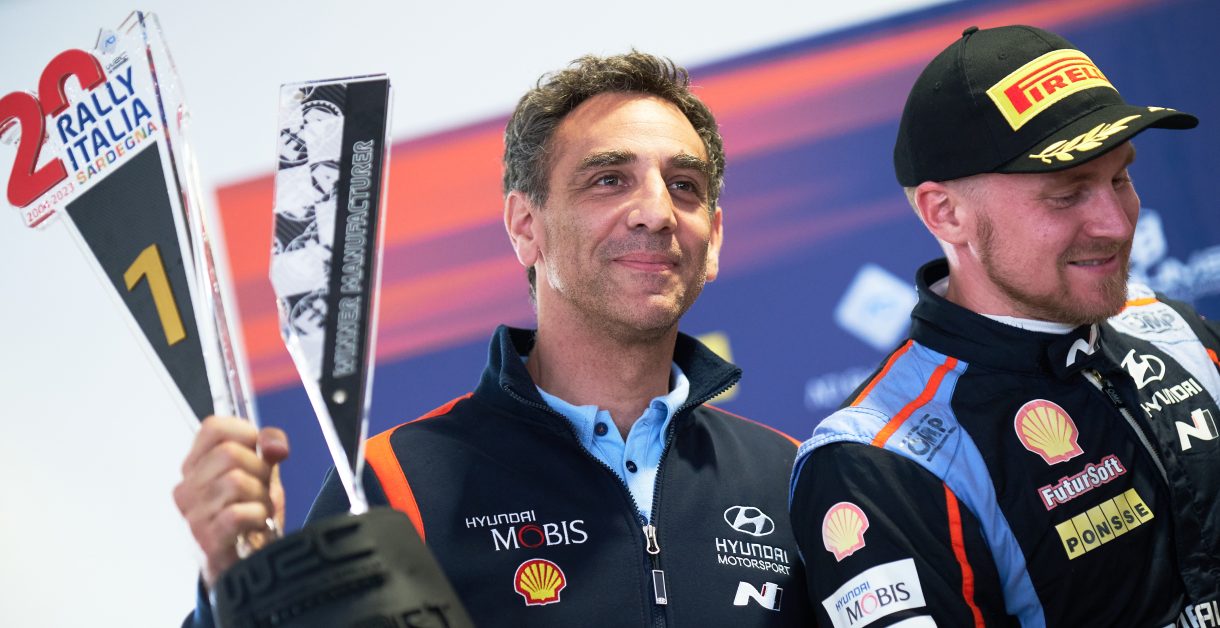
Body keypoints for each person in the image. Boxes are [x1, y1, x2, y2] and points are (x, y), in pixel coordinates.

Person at [176, 51, 812, 627]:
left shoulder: (792, 478)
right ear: (526, 226)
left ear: (714, 237)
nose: (657, 212)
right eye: (609, 179)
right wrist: (229, 589)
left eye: (684, 186)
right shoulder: (397, 480)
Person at [789, 24, 1220, 627]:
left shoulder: (1175, 329)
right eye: (1067, 194)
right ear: (947, 213)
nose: (1118, 224)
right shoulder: (882, 463)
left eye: (1120, 178)